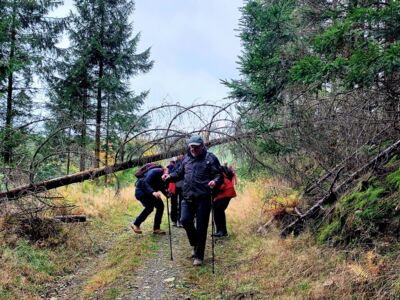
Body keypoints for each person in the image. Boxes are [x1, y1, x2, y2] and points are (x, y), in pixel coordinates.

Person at [162, 135, 223, 266]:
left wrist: (215, 181)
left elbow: (219, 175)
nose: (193, 149)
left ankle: (199, 256)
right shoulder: (186, 159)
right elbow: (178, 173)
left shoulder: (210, 158)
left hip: (204, 198)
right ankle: (195, 243)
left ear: (202, 146)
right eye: (191, 147)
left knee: (202, 227)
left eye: (195, 147)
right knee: (184, 220)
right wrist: (169, 176)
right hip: (187, 196)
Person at [131, 166, 169, 235]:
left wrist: (168, 194)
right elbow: (144, 183)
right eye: (167, 174)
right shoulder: (155, 171)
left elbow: (162, 188)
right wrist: (153, 192)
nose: (167, 176)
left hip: (150, 193)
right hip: (142, 192)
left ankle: (156, 229)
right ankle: (136, 224)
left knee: (160, 206)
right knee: (149, 207)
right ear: (166, 170)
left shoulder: (164, 177)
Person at [213, 163, 237, 237]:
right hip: (226, 191)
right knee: (217, 209)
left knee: (218, 209)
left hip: (226, 191)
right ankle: (221, 231)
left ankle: (221, 231)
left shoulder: (216, 170)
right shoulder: (217, 169)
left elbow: (221, 183)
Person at [173, 153, 185, 227]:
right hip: (176, 186)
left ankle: (179, 220)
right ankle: (175, 220)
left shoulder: (183, 162)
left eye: (181, 154)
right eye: (179, 154)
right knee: (175, 203)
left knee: (181, 203)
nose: (180, 156)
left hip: (181, 186)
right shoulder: (176, 163)